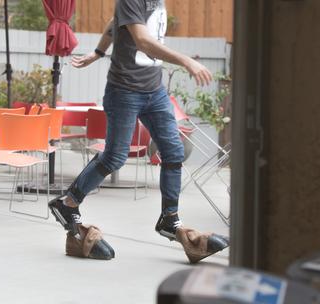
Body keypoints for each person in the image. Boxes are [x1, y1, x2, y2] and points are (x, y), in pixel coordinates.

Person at [49, 0, 214, 254]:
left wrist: (98, 52)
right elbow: (143, 41)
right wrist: (186, 61)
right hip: (124, 90)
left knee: (173, 152)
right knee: (115, 156)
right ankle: (68, 203)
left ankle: (169, 218)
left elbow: (114, 22)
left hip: (155, 91)